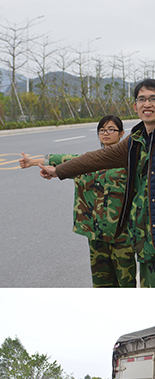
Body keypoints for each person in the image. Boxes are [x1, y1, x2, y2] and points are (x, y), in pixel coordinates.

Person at [37, 79, 155, 288]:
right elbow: (98, 158)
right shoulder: (135, 141)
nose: (147, 104)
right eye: (142, 99)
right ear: (135, 106)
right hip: (144, 245)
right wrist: (59, 170)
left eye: (154, 99)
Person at [19, 116, 136, 287]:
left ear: (122, 134)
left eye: (111, 129)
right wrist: (32, 162)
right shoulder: (87, 161)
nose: (106, 133)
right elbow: (61, 160)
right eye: (102, 130)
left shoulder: (130, 163)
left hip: (122, 234)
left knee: (126, 284)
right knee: (101, 283)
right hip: (95, 234)